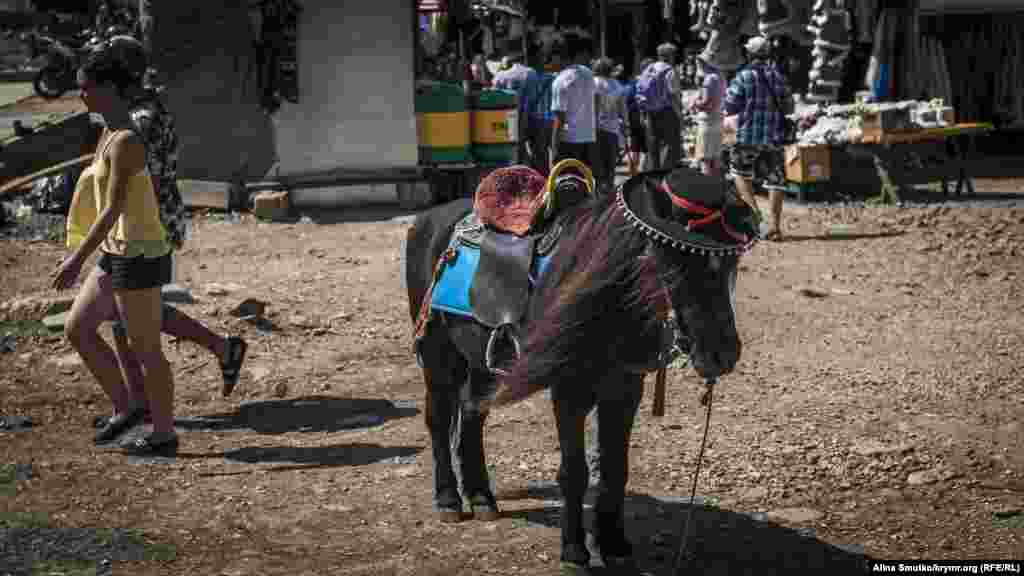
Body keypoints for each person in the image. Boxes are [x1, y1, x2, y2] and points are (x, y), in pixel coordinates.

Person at [57, 40, 177, 456]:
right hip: (117, 251)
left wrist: (75, 260)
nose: (80, 94)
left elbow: (112, 209)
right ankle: (126, 407)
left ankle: (164, 434)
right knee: (79, 329)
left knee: (147, 350)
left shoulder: (126, 139)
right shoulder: (108, 132)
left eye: (85, 86)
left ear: (108, 87)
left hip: (139, 254)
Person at [723, 35, 793, 241]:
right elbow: (789, 106)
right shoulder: (777, 76)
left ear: (748, 54)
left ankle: (756, 220)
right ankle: (775, 227)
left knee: (740, 173)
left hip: (747, 135)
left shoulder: (742, 77)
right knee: (776, 179)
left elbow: (730, 106)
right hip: (774, 136)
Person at [492, 49, 544, 172]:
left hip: (505, 119)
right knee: (525, 149)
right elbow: (535, 97)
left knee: (508, 149)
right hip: (526, 116)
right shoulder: (530, 73)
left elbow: (494, 97)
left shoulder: (499, 76)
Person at [550, 36, 597, 170]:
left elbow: (559, 119)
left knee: (567, 185)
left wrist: (554, 150)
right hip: (589, 138)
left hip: (569, 141)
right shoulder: (588, 73)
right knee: (587, 182)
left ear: (559, 57)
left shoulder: (561, 81)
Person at [636, 43, 683, 171]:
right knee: (672, 146)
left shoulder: (649, 69)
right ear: (670, 56)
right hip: (667, 112)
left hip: (651, 113)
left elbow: (640, 92)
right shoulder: (669, 70)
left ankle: (654, 175)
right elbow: (673, 95)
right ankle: (666, 176)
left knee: (653, 146)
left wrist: (643, 113)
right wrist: (680, 114)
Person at [592, 57, 626, 195]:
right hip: (613, 129)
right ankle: (609, 194)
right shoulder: (617, 85)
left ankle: (599, 193)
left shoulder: (593, 83)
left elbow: (593, 106)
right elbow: (623, 109)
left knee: (597, 165)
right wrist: (626, 125)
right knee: (610, 166)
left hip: (596, 129)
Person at [689, 53, 725, 178]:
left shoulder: (709, 78)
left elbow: (705, 101)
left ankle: (707, 186)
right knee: (715, 157)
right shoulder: (720, 76)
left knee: (704, 156)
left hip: (707, 119)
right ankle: (716, 185)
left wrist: (694, 104)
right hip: (719, 118)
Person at [623, 58, 652, 176]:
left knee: (635, 149)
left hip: (634, 120)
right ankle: (643, 177)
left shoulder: (632, 83)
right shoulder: (649, 82)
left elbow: (626, 101)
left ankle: (632, 175)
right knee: (647, 150)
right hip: (646, 120)